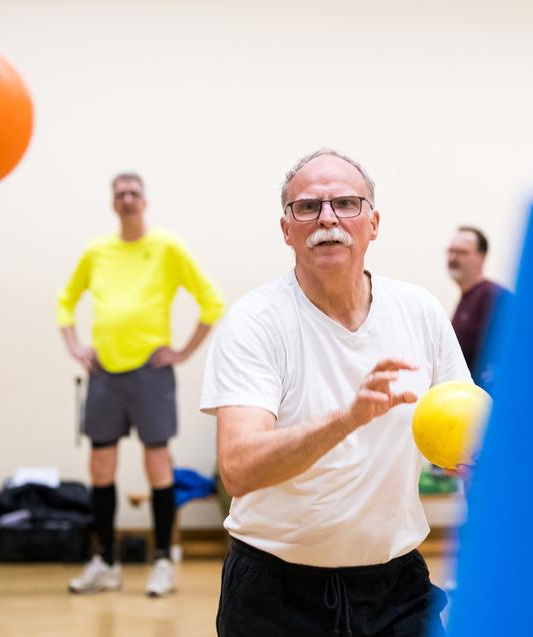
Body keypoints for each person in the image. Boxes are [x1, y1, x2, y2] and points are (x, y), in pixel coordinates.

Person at [200, 149, 471, 637]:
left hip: (397, 589)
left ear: (374, 223)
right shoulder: (254, 322)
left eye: (346, 203)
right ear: (287, 230)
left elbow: (465, 429)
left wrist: (477, 458)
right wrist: (347, 418)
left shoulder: (419, 311)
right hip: (274, 597)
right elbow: (238, 467)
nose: (327, 219)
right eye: (307, 207)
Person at [57, 172, 225, 597]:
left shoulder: (167, 247)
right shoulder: (98, 252)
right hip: (105, 374)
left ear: (144, 201)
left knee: (157, 465)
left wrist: (183, 351)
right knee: (100, 467)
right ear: (113, 204)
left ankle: (163, 562)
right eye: (120, 194)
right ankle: (106, 562)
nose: (128, 199)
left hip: (151, 373)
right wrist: (77, 346)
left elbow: (211, 301)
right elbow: (65, 300)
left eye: (134, 193)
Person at [447, 227, 508, 386]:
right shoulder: (466, 297)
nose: (453, 257)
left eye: (462, 252)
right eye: (451, 251)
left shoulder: (495, 296)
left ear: (482, 256)